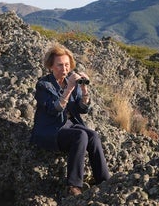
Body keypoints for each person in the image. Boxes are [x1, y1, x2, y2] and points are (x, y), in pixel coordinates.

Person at [30, 43, 110, 196]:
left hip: (69, 125)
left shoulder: (70, 81)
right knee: (80, 136)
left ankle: (104, 180)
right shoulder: (43, 85)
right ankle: (74, 186)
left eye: (67, 65)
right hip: (50, 129)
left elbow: (82, 109)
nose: (64, 69)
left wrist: (84, 91)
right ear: (51, 66)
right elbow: (53, 110)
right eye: (59, 65)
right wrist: (68, 90)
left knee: (93, 135)